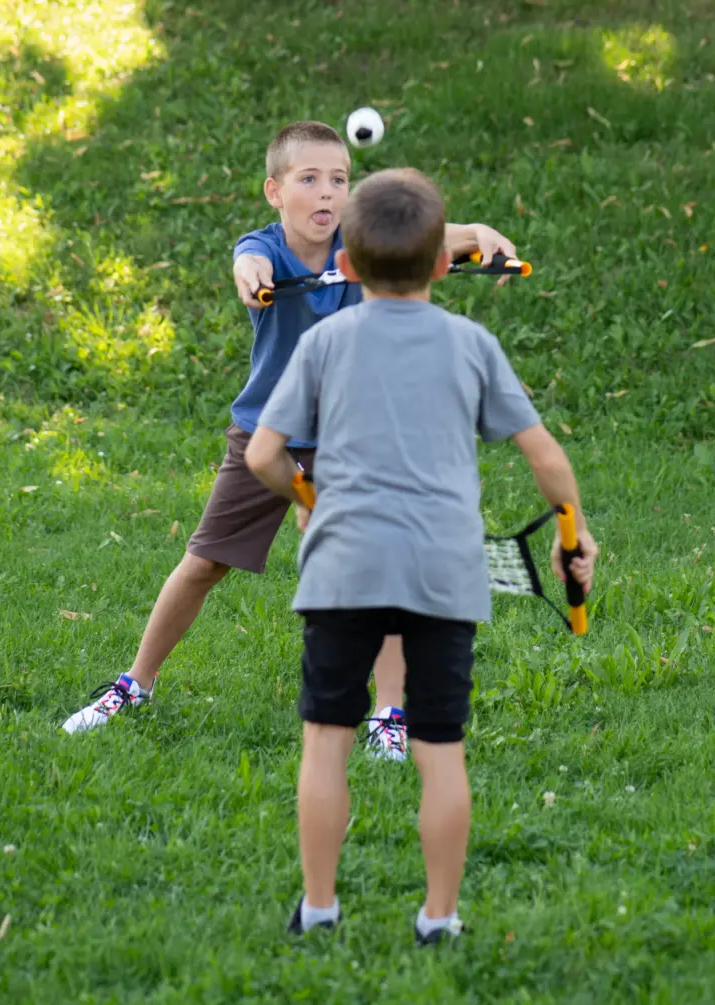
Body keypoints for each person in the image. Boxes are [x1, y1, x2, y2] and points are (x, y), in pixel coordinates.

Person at [61, 122, 521, 760]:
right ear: (276, 192)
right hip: (266, 437)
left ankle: (388, 714)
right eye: (309, 179)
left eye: (338, 179)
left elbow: (431, 237)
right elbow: (246, 264)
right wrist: (249, 278)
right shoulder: (265, 251)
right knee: (204, 562)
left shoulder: (360, 243)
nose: (326, 192)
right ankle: (133, 686)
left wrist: (479, 236)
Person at [244, 168, 598, 942]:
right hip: (446, 573)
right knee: (441, 751)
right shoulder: (472, 343)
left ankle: (320, 907)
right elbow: (542, 453)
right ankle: (439, 916)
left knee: (325, 743)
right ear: (445, 261)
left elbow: (263, 454)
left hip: (342, 569)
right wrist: (574, 530)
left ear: (350, 264)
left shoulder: (326, 339)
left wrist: (308, 500)